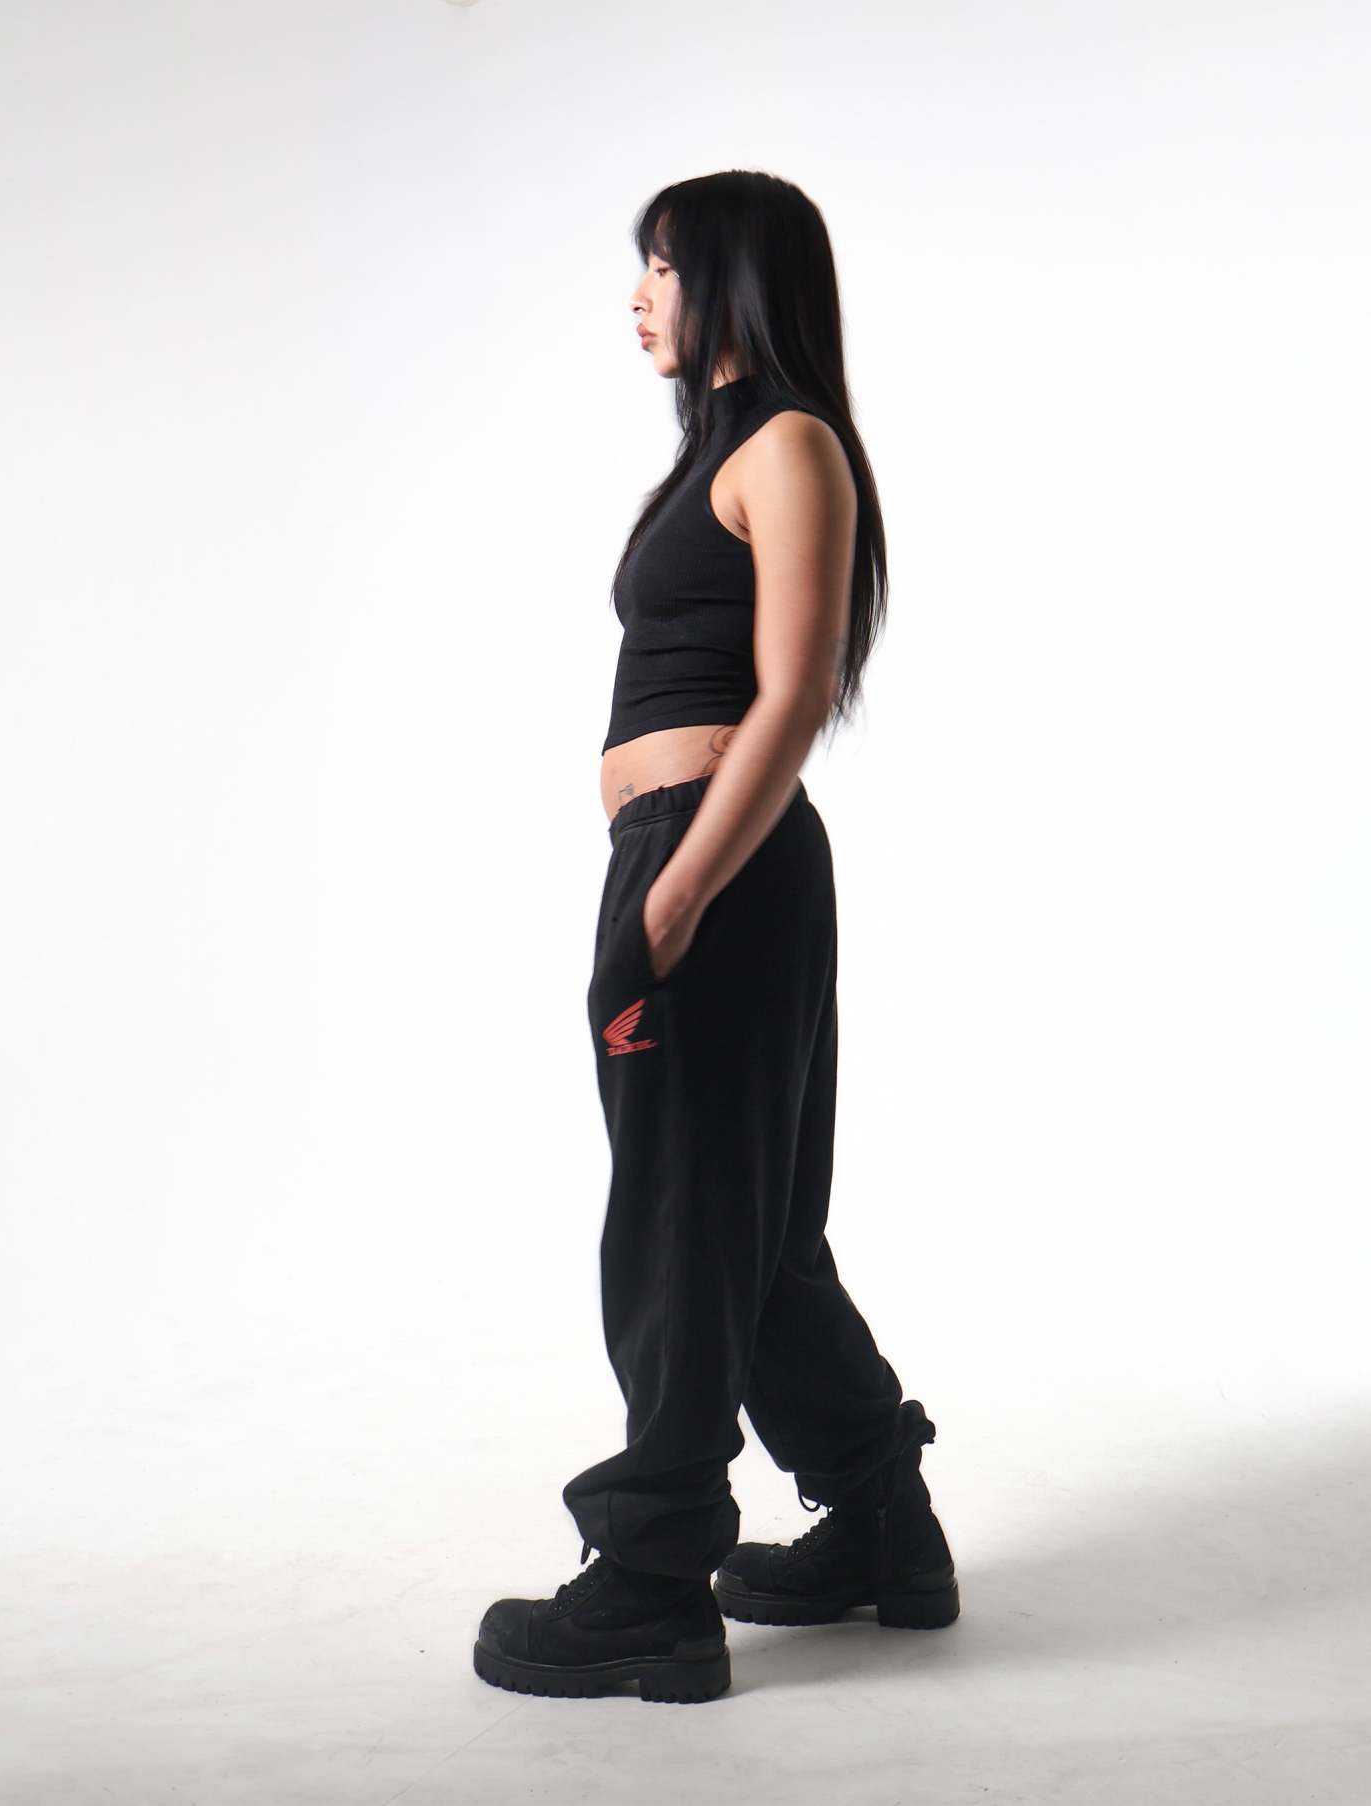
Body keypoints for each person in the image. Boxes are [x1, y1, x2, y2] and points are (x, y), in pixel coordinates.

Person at [474, 171, 959, 1705]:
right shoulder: (723, 454)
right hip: (691, 858)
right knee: (748, 1235)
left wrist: (673, 899)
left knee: (681, 1224)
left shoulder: (790, 445)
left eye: (662, 268)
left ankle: (651, 1581)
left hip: (717, 866)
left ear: (735, 279)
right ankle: (879, 1525)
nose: (638, 297)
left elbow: (793, 693)